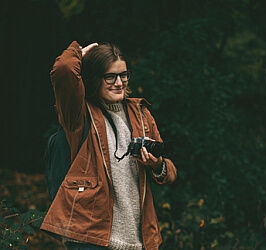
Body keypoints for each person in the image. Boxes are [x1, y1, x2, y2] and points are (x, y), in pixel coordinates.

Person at [40, 41, 177, 250]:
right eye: (110, 76)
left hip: (138, 240)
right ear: (95, 78)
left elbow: (170, 172)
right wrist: (78, 53)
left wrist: (156, 164)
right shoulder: (79, 116)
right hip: (91, 239)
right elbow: (63, 70)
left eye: (123, 75)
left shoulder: (141, 115)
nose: (119, 82)